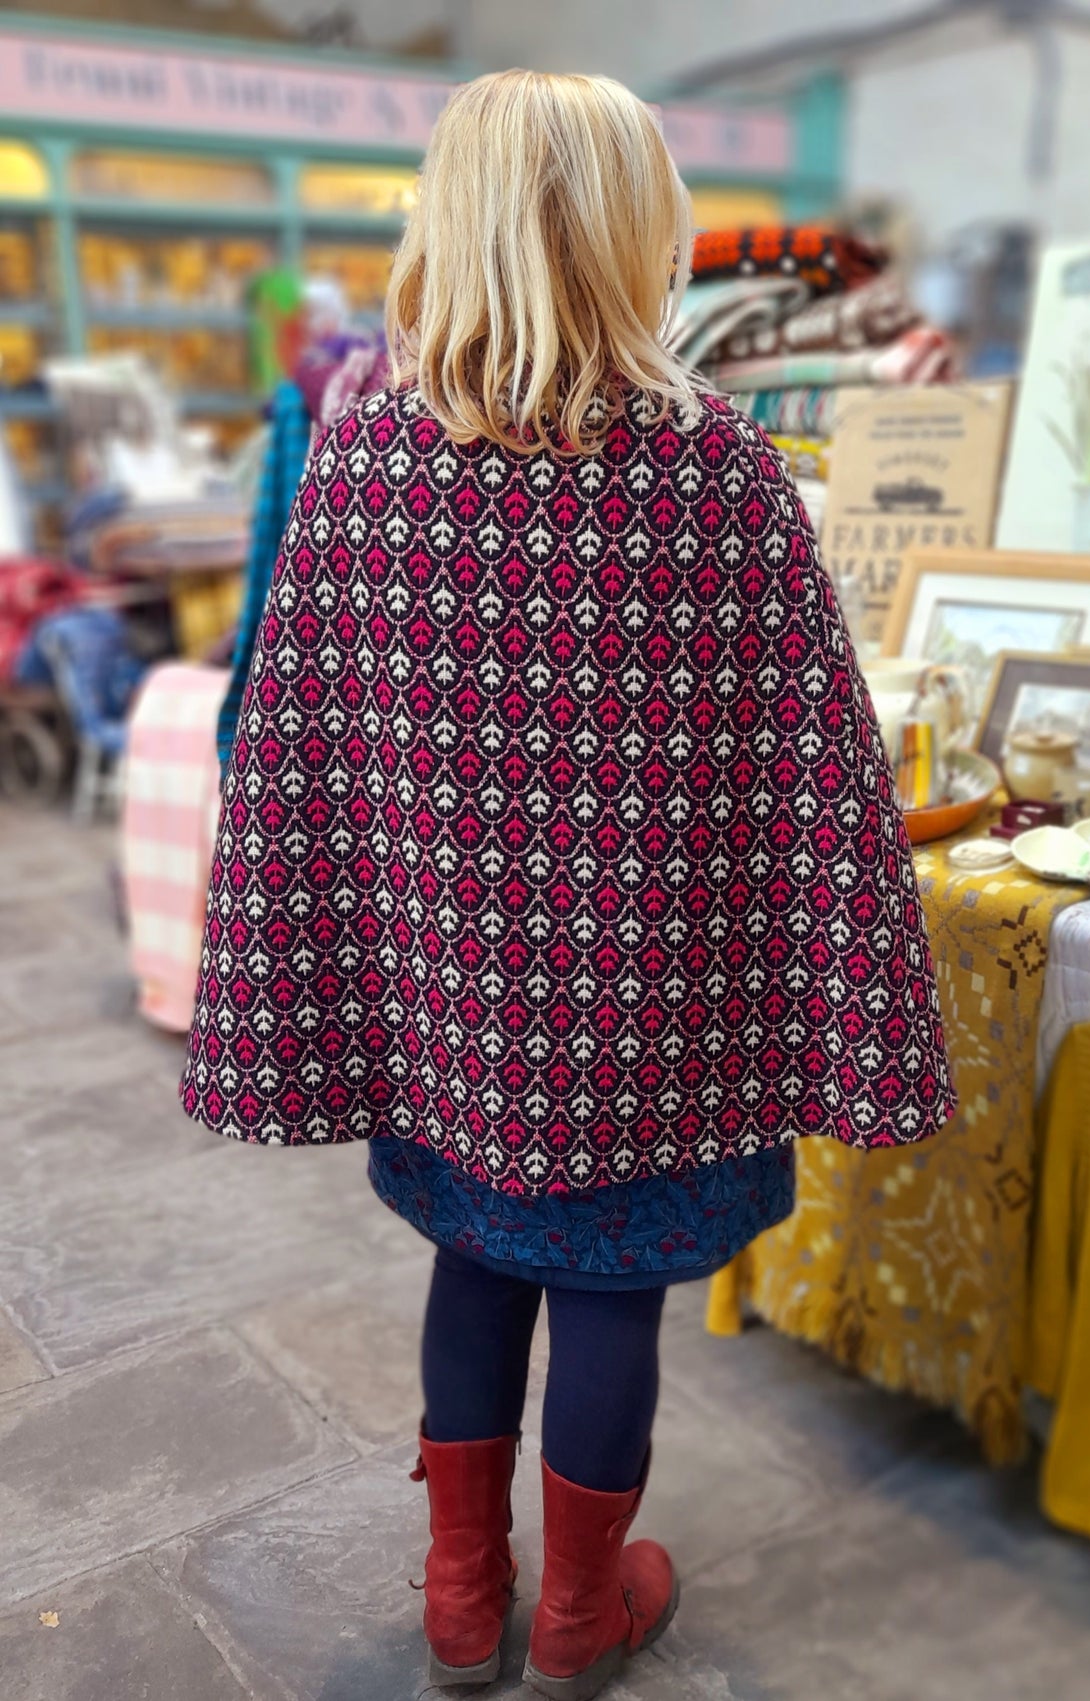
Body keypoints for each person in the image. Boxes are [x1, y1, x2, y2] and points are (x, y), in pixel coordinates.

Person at [180, 70, 955, 1700]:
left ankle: (463, 1600)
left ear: (449, 223)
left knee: (476, 1263)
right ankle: (581, 1614)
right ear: (633, 230)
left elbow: (301, 742)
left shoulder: (364, 461)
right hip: (654, 1028)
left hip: (450, 1013)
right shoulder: (718, 468)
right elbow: (816, 766)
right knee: (614, 1296)